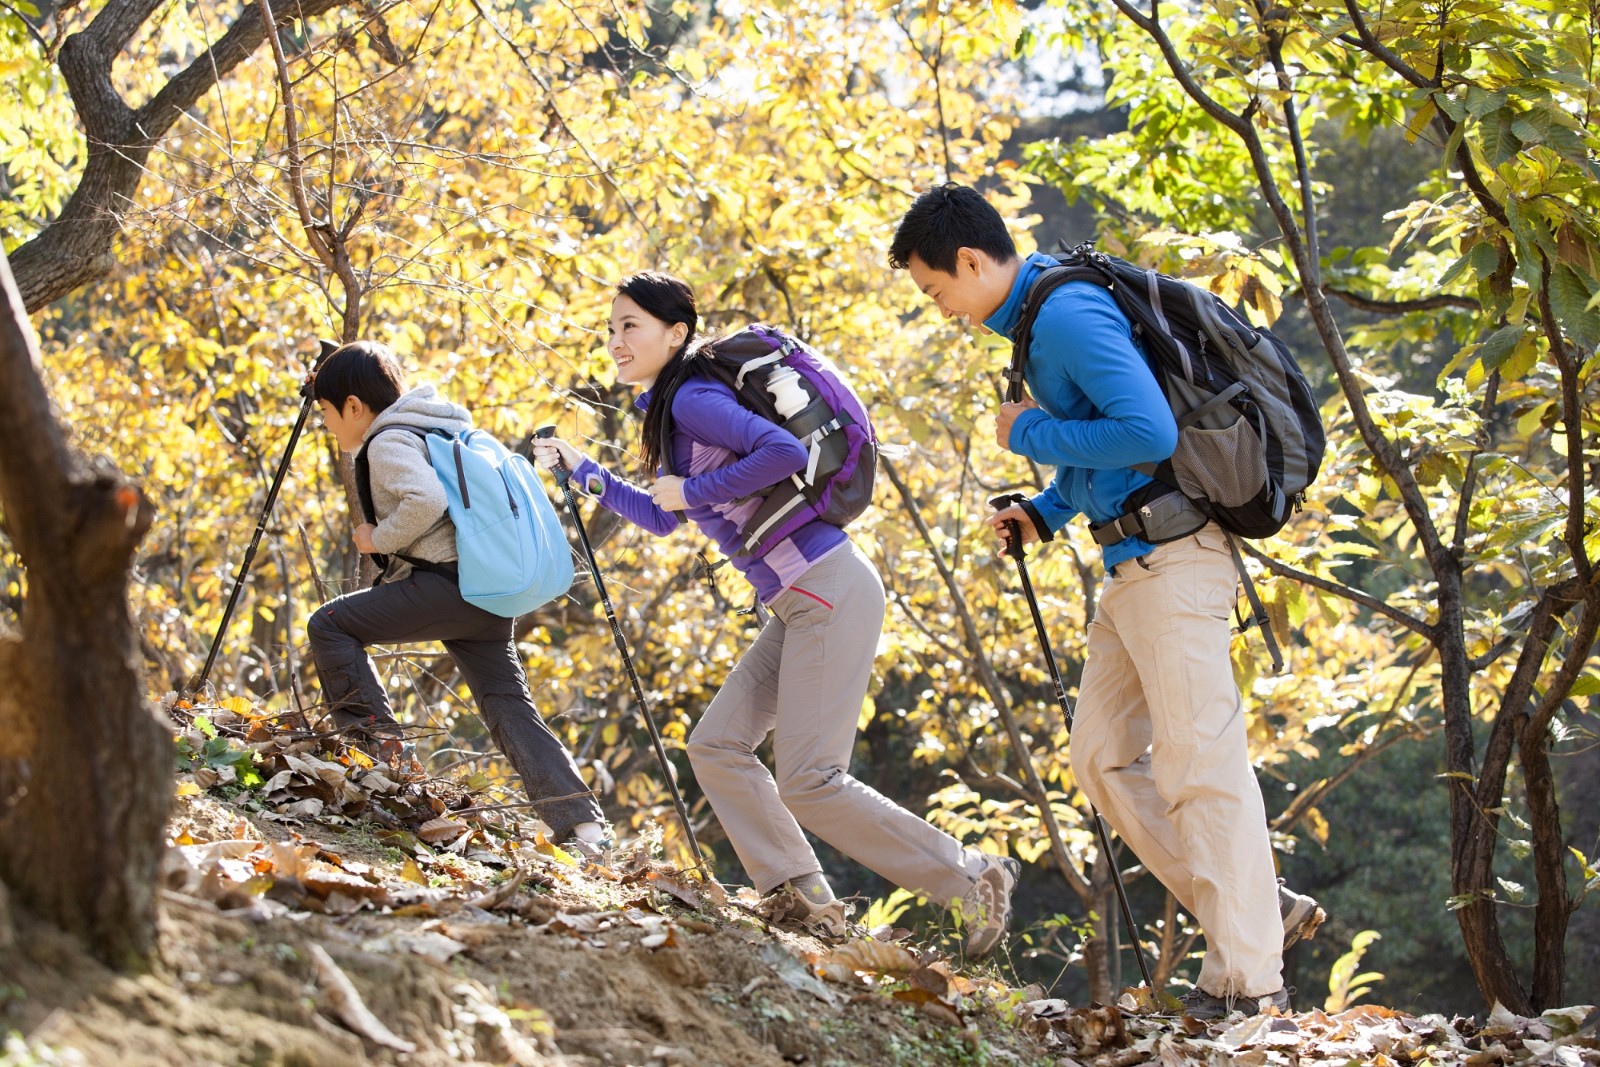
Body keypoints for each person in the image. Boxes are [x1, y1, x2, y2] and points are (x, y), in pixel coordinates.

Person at [888, 183, 1324, 1017]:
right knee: (1100, 755)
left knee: (1201, 765)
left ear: (972, 261)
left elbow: (1150, 431)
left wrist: (1029, 435)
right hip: (1130, 564)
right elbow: (1105, 449)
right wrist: (1046, 510)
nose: (940, 307)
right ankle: (1259, 906)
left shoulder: (1064, 315)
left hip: (1175, 558)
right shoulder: (1036, 318)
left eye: (936, 290)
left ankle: (1249, 980)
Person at [532, 272, 1018, 956]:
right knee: (717, 745)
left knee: (811, 779)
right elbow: (665, 513)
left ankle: (973, 877)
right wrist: (587, 472)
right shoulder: (675, 411)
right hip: (801, 599)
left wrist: (691, 486)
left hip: (824, 586)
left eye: (629, 325)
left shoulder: (694, 398)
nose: (615, 340)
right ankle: (803, 901)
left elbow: (783, 452)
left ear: (676, 333)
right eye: (610, 328)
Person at [306, 341, 611, 859]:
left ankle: (380, 768)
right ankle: (583, 828)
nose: (329, 426)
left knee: (330, 625)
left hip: (450, 585)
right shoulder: (440, 426)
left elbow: (427, 500)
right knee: (508, 706)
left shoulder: (386, 442)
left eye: (327, 413)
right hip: (487, 590)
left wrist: (374, 539)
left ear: (353, 406)